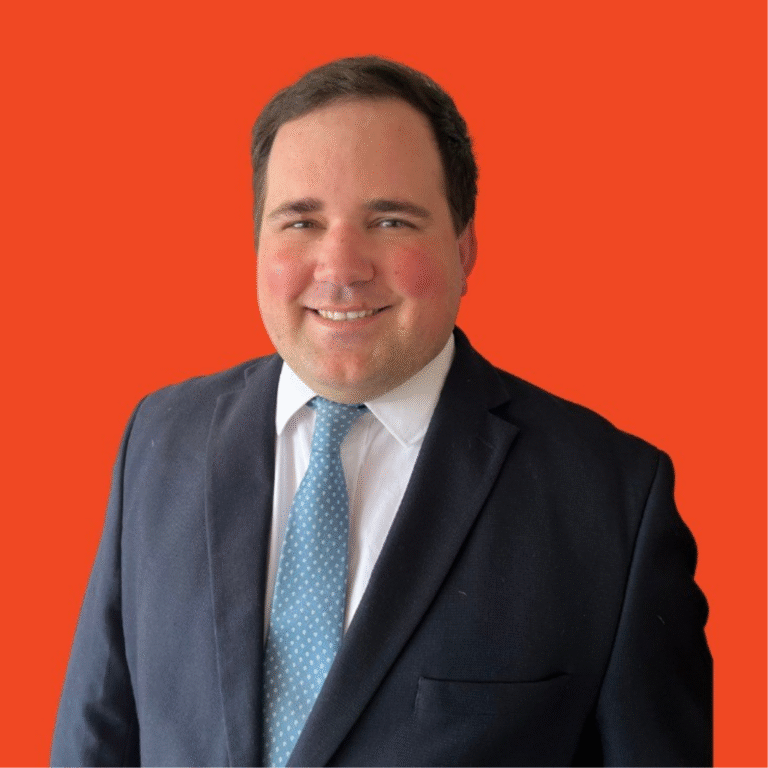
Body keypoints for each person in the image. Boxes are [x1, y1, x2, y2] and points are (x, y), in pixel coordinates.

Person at [51, 56, 712, 767]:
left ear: (464, 247)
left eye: (391, 220)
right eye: (301, 221)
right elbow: (96, 737)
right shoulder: (160, 440)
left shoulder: (612, 502)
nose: (341, 269)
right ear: (257, 243)